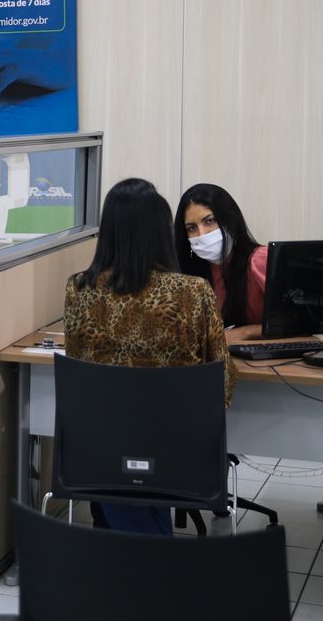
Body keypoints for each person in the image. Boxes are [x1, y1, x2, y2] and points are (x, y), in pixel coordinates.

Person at [64, 178, 236, 535]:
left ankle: (122, 555)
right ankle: (146, 564)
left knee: (115, 454)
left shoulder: (78, 288)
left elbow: (78, 369)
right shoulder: (193, 291)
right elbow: (221, 381)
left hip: (100, 449)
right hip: (176, 448)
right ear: (161, 231)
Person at [174, 183, 267, 343]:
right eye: (191, 228)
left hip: (269, 363)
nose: (201, 234)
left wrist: (247, 332)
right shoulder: (187, 273)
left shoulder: (259, 260)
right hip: (215, 362)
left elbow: (299, 322)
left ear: (229, 219)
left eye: (209, 221)